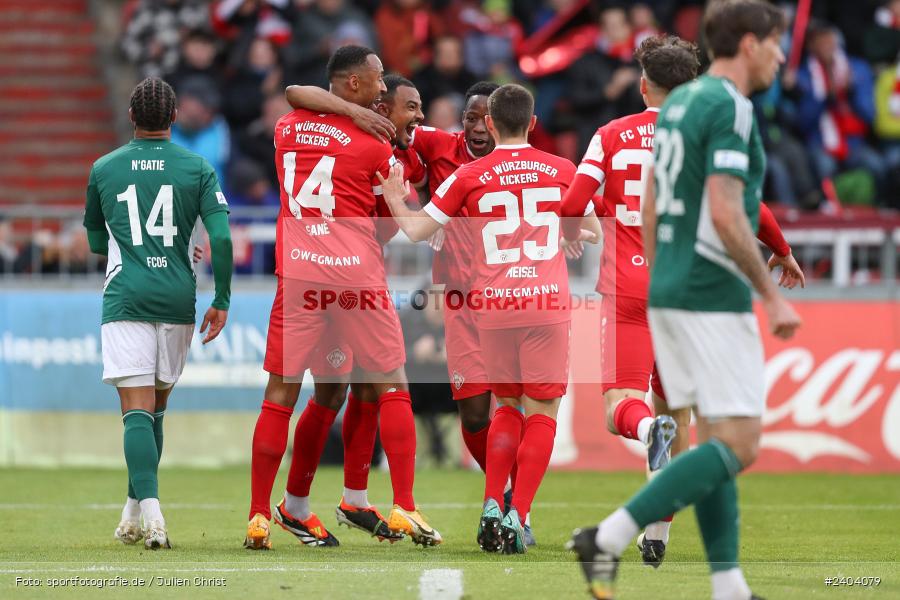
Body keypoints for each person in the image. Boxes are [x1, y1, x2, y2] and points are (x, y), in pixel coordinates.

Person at [569, 3, 801, 599]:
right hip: (706, 294)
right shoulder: (725, 107)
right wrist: (772, 292)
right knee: (728, 438)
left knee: (700, 431)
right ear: (749, 45)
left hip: (652, 285)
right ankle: (614, 535)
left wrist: (656, 260)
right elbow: (734, 209)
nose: (782, 55)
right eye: (777, 43)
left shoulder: (667, 119)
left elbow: (646, 201)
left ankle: (726, 584)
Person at [378, 84, 592, 554]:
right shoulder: (558, 169)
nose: (476, 126)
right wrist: (567, 227)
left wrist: (396, 193)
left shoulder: (470, 175)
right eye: (468, 119)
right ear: (532, 123)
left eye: (482, 118)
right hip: (505, 301)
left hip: (492, 302)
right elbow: (591, 224)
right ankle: (514, 506)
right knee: (505, 412)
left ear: (493, 121)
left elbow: (414, 227)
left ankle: (504, 503)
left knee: (509, 408)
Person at [245, 46, 441, 551]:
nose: (381, 90)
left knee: (288, 396)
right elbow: (399, 225)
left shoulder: (287, 128)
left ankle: (263, 515)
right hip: (354, 281)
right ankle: (405, 505)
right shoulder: (378, 151)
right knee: (391, 385)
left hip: (300, 280)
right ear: (354, 84)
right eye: (378, 82)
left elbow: (296, 95)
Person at [83, 77, 233, 550]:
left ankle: (152, 514)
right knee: (155, 410)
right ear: (173, 119)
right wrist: (223, 299)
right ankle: (135, 513)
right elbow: (223, 239)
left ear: (132, 117)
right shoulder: (197, 167)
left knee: (135, 412)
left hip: (126, 295)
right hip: (177, 298)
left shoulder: (104, 168)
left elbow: (93, 240)